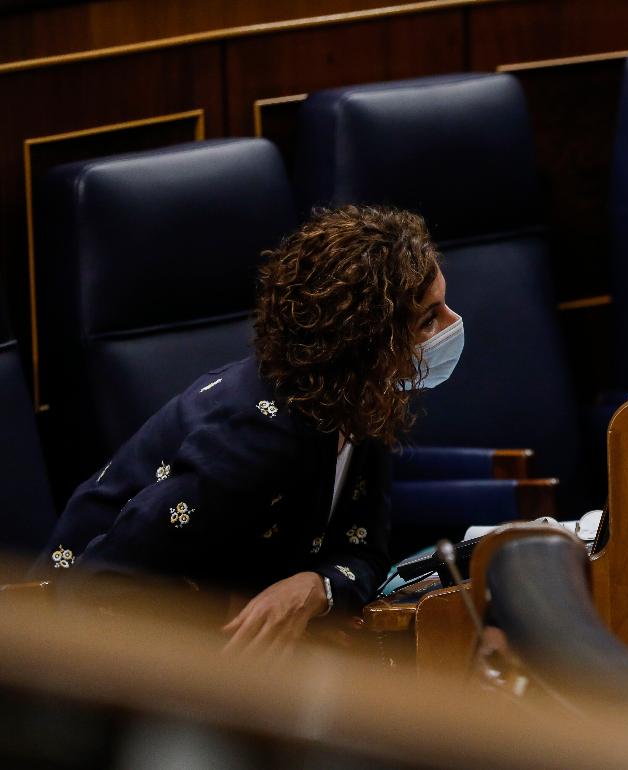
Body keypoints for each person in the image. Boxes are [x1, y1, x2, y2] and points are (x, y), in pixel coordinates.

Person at [37, 205, 462, 654]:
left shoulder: (362, 399)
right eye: (428, 319)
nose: (453, 325)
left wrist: (314, 588)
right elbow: (98, 586)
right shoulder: (254, 439)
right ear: (367, 342)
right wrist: (227, 617)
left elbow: (367, 548)